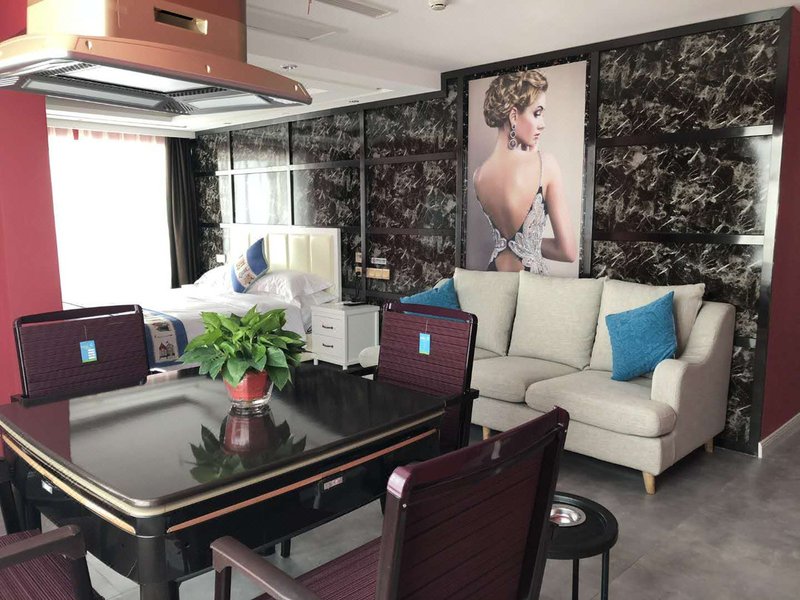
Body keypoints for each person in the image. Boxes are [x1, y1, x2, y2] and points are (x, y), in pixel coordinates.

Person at [473, 70, 577, 273]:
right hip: (532, 285)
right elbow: (568, 252)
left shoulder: (479, 175)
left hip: (493, 280)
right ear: (514, 116)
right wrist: (528, 243)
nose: (542, 124)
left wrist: (514, 243)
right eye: (537, 113)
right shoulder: (546, 165)